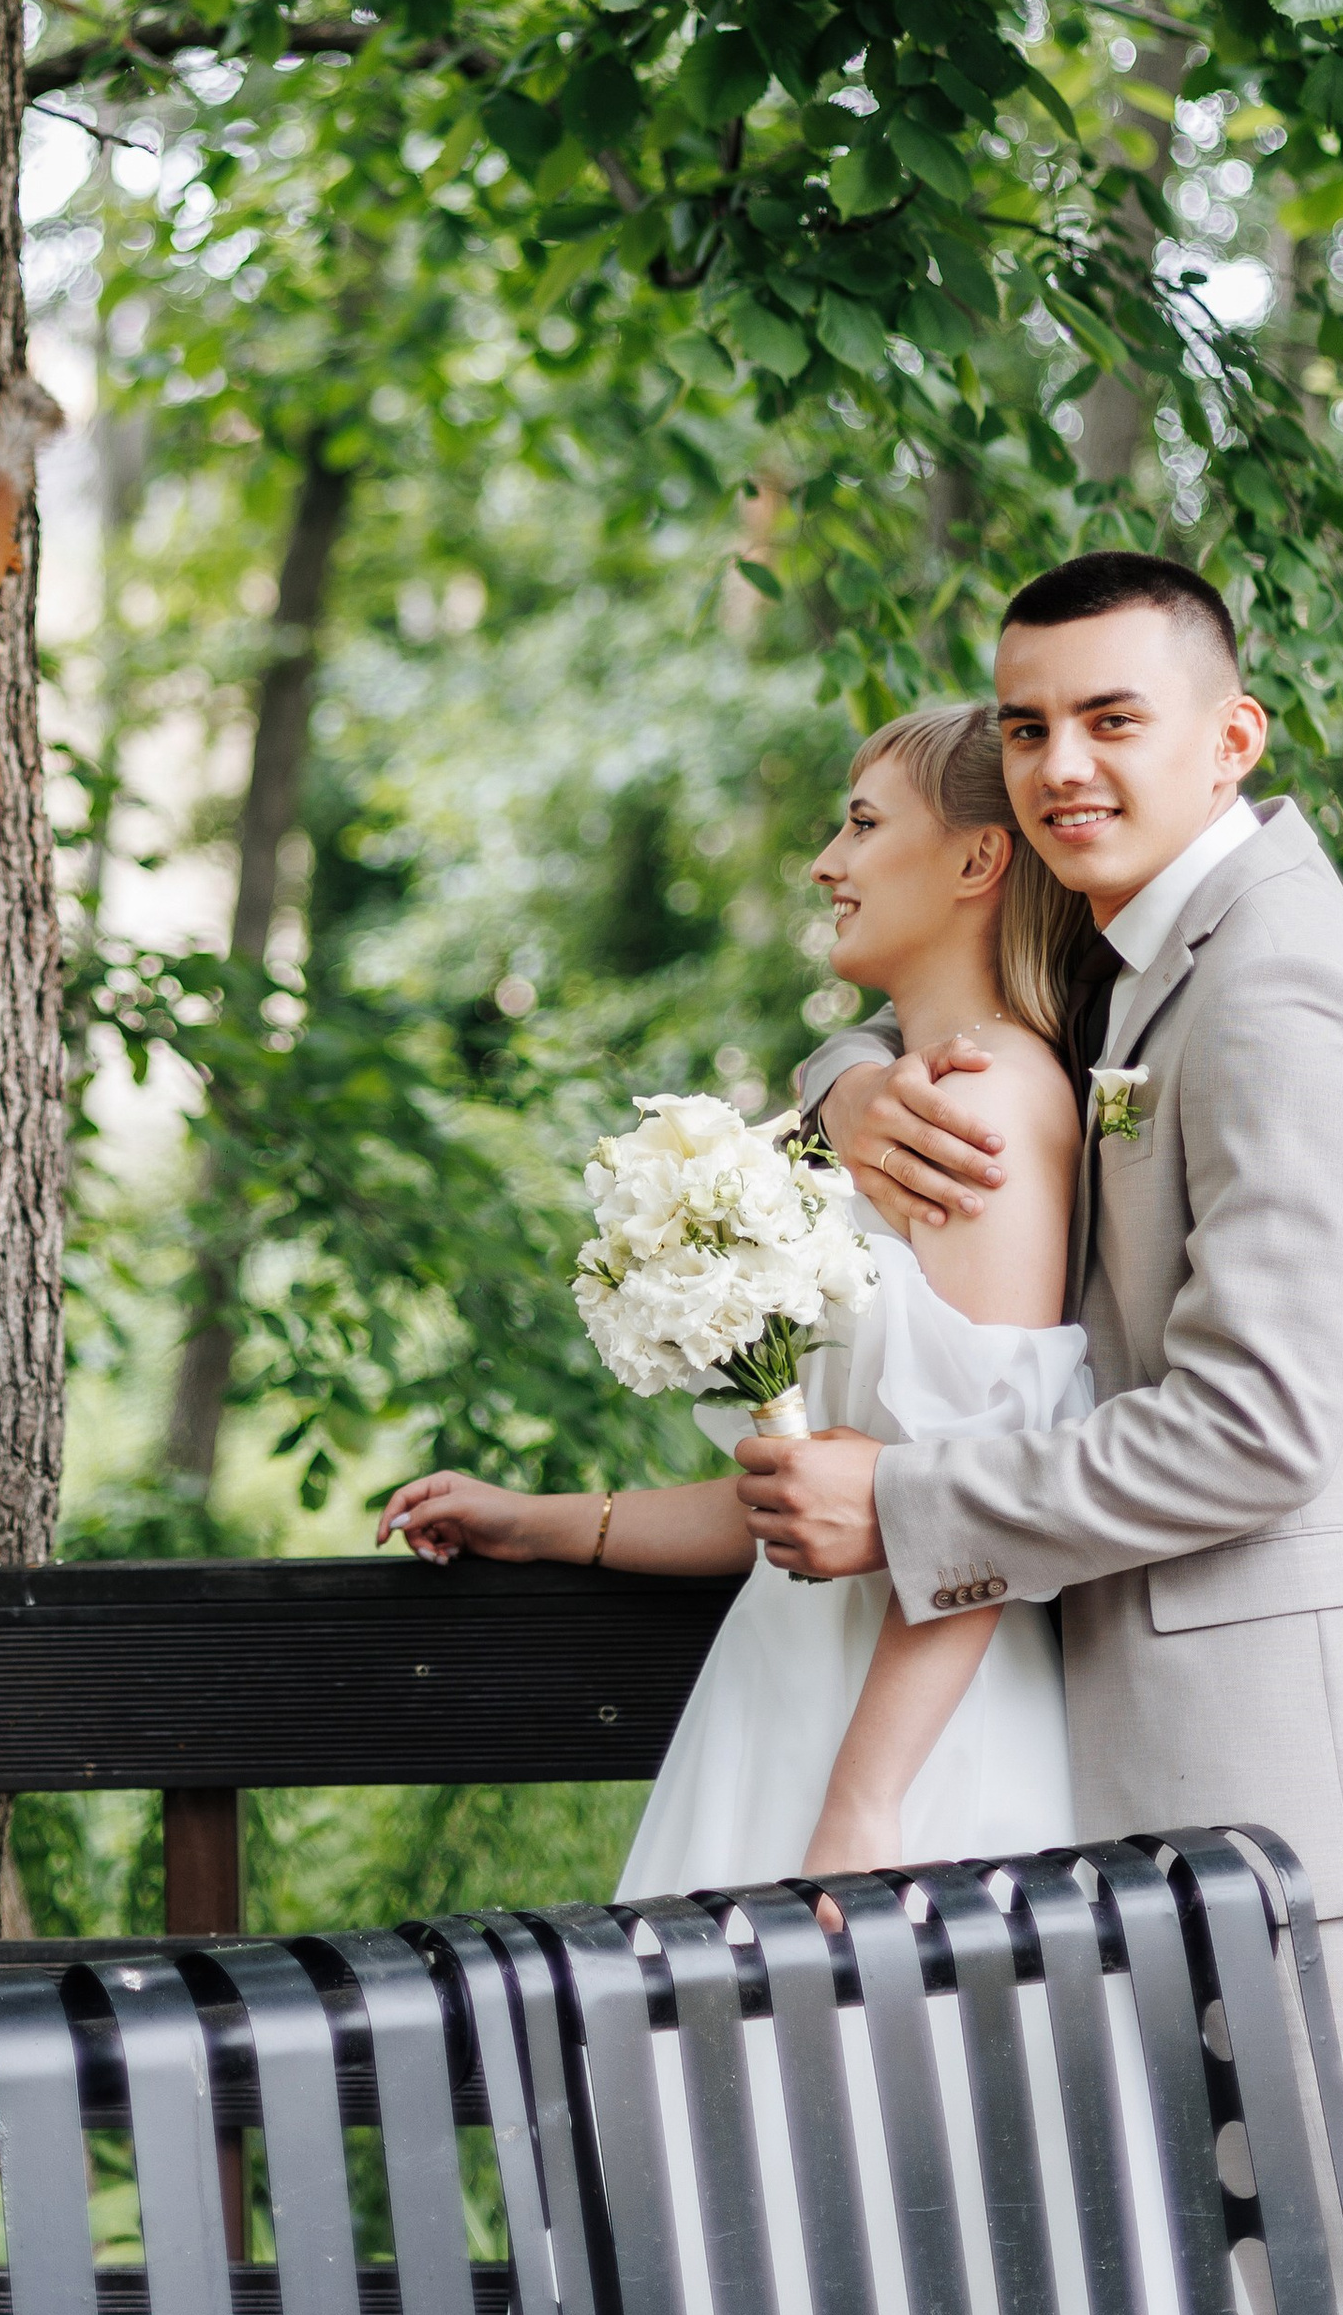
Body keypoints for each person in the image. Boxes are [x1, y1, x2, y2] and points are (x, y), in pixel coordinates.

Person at [766, 549, 1343, 2315]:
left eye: (1113, 720)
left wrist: (910, 1500)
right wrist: (845, 1083)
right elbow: (931, 1005)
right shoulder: (1145, 949)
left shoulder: (1282, 992)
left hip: (1280, 1781)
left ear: (1231, 735)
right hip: (1160, 1773)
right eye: (1029, 728)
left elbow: (1256, 1430)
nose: (1061, 767)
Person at [375, 700, 1095, 1885]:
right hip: (787, 1690)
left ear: (978, 860)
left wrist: (863, 1810)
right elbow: (813, 1501)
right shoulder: (892, 1103)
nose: (826, 864)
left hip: (910, 1751)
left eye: (862, 825)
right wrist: (539, 1522)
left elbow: (978, 1508)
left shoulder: (988, 1108)